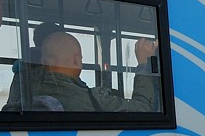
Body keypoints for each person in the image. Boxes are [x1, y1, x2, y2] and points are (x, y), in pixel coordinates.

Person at [29, 32, 158, 112]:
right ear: (76, 60)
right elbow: (143, 109)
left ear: (43, 61)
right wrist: (143, 64)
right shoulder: (93, 99)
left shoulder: (27, 93)